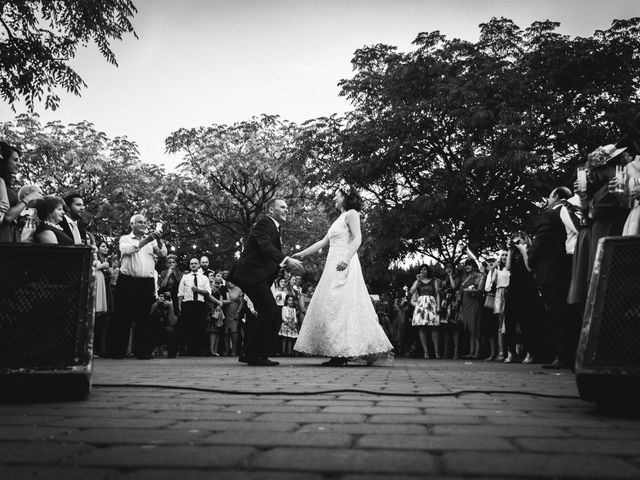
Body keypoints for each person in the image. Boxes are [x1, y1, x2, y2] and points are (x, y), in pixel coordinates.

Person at [293, 186, 393, 366]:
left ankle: (342, 355)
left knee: (342, 305)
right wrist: (302, 254)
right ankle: (337, 352)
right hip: (333, 265)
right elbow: (323, 242)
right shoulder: (339, 218)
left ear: (346, 197)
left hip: (344, 264)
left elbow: (358, 238)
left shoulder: (352, 214)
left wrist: (346, 259)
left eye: (337, 196)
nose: (334, 199)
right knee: (332, 305)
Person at [227, 198, 303, 366]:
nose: (286, 209)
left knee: (265, 313)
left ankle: (248, 353)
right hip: (250, 274)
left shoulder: (276, 227)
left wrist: (284, 264)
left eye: (287, 207)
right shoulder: (265, 224)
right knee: (271, 312)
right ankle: (256, 355)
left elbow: (268, 254)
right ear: (271, 210)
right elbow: (265, 246)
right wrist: (286, 259)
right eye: (282, 207)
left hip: (256, 276)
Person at [106, 214, 167, 359]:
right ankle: (117, 351)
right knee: (122, 317)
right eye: (140, 222)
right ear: (132, 224)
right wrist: (147, 240)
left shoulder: (153, 242)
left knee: (144, 318)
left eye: (145, 222)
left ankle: (142, 351)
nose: (143, 224)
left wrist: (157, 239)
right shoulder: (125, 239)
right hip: (128, 281)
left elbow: (163, 253)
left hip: (146, 282)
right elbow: (129, 250)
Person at [528, 187, 573, 369]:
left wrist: (531, 257)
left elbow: (541, 240)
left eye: (550, 195)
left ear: (556, 197)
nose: (548, 199)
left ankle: (561, 355)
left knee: (556, 314)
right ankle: (566, 354)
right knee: (566, 313)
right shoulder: (570, 212)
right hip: (567, 267)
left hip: (551, 271)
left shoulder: (550, 215)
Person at [0, 142, 42, 242]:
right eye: (15, 160)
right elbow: (8, 216)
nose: (19, 164)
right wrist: (28, 198)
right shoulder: (0, 181)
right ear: (4, 160)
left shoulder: (6, 184)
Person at [177, 258, 211, 356]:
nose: (193, 265)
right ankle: (186, 350)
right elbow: (180, 293)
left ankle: (197, 350)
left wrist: (197, 290)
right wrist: (179, 305)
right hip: (188, 304)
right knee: (187, 327)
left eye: (195, 263)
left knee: (199, 327)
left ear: (199, 265)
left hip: (200, 304)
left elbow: (207, 292)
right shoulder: (185, 277)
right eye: (191, 263)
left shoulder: (204, 278)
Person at [409, 265, 441, 359]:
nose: (423, 271)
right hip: (421, 305)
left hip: (431, 303)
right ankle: (425, 352)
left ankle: (436, 352)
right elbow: (411, 291)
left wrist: (438, 306)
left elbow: (437, 294)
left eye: (425, 269)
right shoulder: (417, 281)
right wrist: (418, 281)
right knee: (422, 328)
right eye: (422, 269)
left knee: (434, 328)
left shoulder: (434, 281)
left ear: (428, 271)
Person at [460, 259, 484, 359]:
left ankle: (477, 352)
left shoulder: (478, 275)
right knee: (469, 329)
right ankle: (471, 352)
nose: (467, 267)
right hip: (465, 302)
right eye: (466, 265)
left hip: (474, 302)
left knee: (475, 327)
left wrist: (467, 290)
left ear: (474, 265)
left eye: (469, 265)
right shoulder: (465, 276)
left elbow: (479, 289)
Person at [205, 271, 225, 356]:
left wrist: (220, 305)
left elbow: (221, 297)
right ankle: (211, 349)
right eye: (210, 276)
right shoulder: (206, 286)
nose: (212, 277)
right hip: (210, 308)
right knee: (212, 330)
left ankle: (215, 350)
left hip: (217, 308)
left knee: (217, 329)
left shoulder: (215, 287)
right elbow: (207, 297)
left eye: (213, 275)